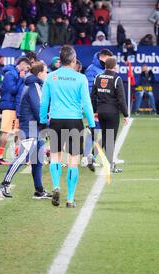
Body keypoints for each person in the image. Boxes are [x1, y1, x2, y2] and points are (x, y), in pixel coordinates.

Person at [40, 45, 96, 208]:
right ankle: (70, 199)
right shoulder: (80, 78)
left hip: (56, 120)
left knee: (55, 156)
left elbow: (44, 102)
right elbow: (86, 104)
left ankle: (56, 186)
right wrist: (91, 124)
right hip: (74, 121)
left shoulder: (51, 77)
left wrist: (43, 121)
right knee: (73, 160)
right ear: (73, 60)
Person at [0, 61, 52, 199]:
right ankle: (4, 183)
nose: (47, 74)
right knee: (22, 157)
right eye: (45, 72)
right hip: (30, 127)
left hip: (35, 127)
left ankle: (39, 190)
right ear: (39, 73)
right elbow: (38, 110)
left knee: (37, 160)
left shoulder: (34, 85)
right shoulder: (34, 86)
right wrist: (48, 123)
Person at [91, 57, 129, 173]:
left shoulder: (98, 77)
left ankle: (92, 157)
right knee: (110, 139)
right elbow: (121, 99)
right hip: (112, 112)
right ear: (114, 66)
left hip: (101, 111)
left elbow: (93, 96)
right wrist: (126, 114)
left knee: (106, 136)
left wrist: (94, 111)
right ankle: (109, 165)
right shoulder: (116, 78)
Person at [0, 57, 31, 165]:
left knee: (17, 132)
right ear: (22, 64)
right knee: (6, 132)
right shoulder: (10, 74)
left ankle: (17, 156)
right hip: (9, 107)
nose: (27, 70)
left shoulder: (14, 73)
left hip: (15, 106)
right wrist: (21, 78)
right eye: (27, 67)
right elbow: (13, 90)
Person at [83, 48, 113, 171]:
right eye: (108, 58)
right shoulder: (92, 70)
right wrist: (94, 107)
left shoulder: (103, 70)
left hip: (104, 106)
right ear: (103, 57)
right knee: (94, 132)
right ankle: (86, 157)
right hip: (96, 107)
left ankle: (91, 157)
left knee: (104, 133)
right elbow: (89, 90)